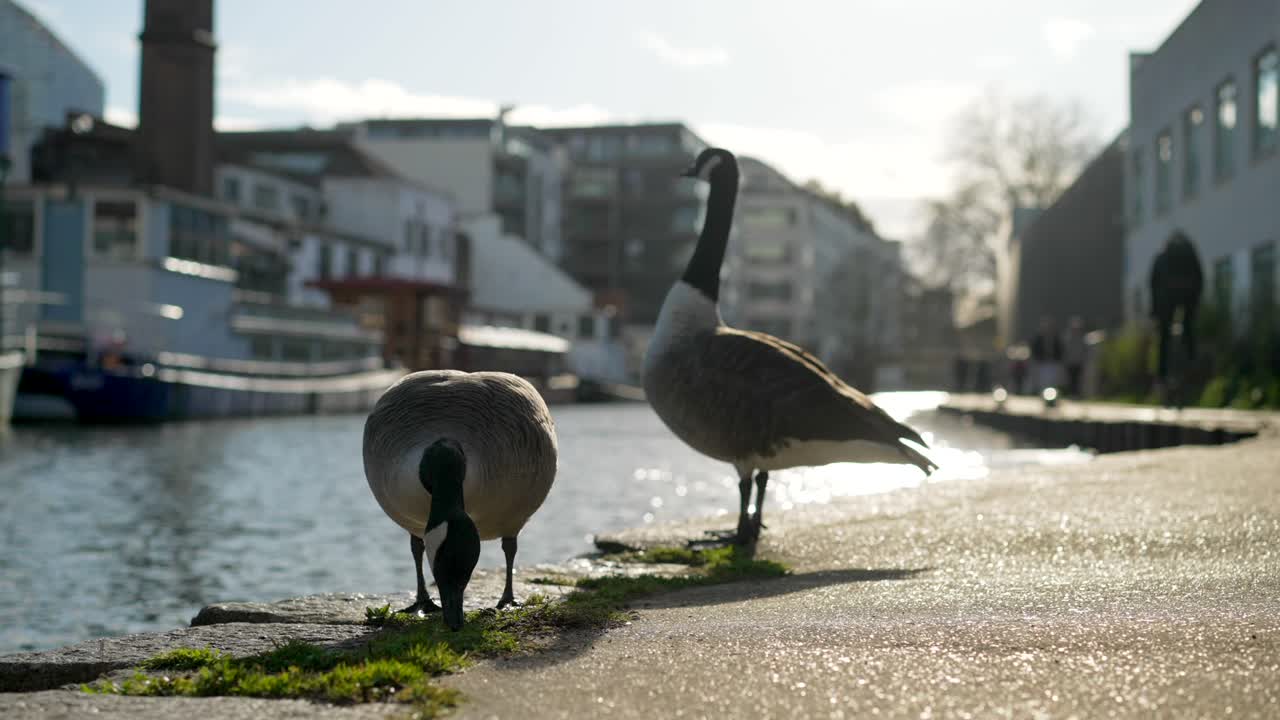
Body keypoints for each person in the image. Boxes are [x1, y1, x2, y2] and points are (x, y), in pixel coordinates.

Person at [1029, 317, 1063, 394]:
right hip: (1042, 363)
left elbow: (1060, 350)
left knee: (1053, 382)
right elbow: (1034, 350)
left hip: (1053, 363)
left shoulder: (1056, 338)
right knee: (1042, 382)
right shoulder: (1038, 338)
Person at [1063, 316, 1087, 397]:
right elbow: (1065, 350)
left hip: (1079, 362)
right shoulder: (1068, 337)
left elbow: (1084, 351)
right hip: (1070, 362)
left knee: (1078, 379)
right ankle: (1071, 393)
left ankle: (1078, 394)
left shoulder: (1082, 338)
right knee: (1071, 379)